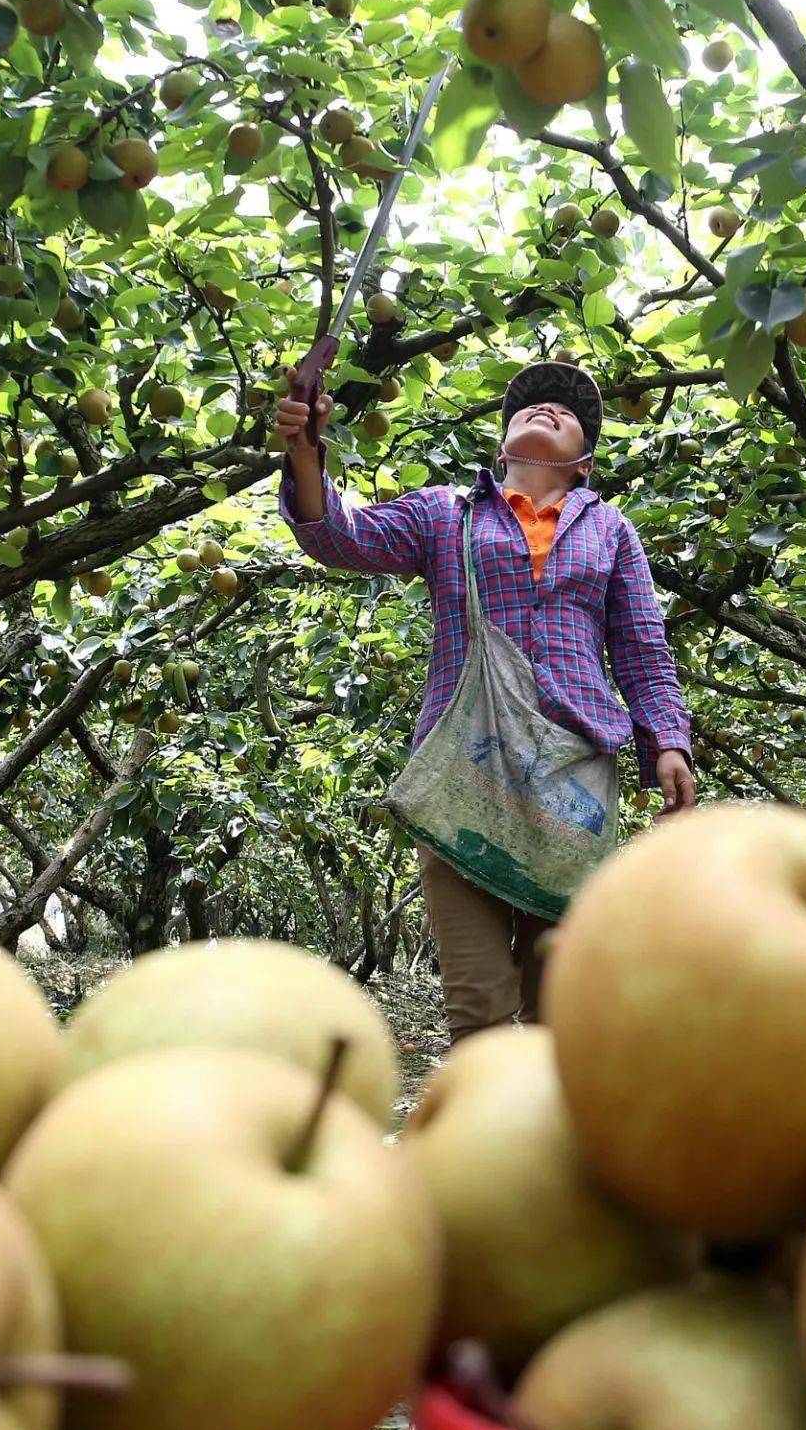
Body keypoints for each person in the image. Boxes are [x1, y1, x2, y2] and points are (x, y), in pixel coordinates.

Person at [275, 359, 695, 1044]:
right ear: (501, 448)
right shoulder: (448, 514)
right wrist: (304, 451)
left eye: (568, 411)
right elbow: (341, 536)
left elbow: (642, 646)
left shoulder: (611, 530)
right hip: (465, 773)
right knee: (476, 1007)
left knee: (557, 1004)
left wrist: (668, 742)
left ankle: (548, 1147)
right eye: (533, 406)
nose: (549, 408)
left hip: (570, 783)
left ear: (584, 463)